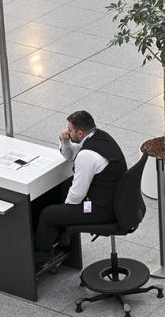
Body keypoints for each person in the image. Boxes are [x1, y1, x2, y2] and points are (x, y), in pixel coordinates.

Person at [34, 110, 127, 262]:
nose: (67, 132)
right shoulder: (99, 137)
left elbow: (77, 196)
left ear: (80, 133)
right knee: (66, 187)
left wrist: (64, 211)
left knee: (48, 214)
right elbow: (72, 155)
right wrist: (65, 143)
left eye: (69, 130)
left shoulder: (87, 155)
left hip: (100, 210)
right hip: (113, 201)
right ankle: (64, 238)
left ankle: (42, 255)